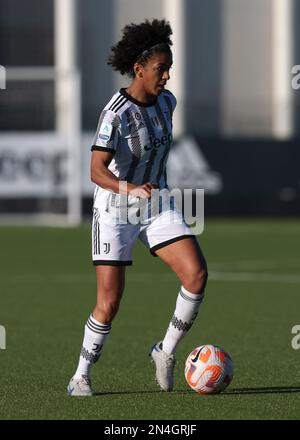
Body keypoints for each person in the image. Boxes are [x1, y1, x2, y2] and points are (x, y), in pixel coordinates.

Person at [67, 19, 208, 396]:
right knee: (109, 303)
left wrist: (149, 192)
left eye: (169, 68)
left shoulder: (168, 101)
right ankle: (81, 375)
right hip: (116, 209)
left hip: (157, 202)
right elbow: (95, 171)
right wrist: (130, 188)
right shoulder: (114, 113)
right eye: (161, 69)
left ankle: (165, 352)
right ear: (139, 68)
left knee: (196, 275)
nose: (167, 76)